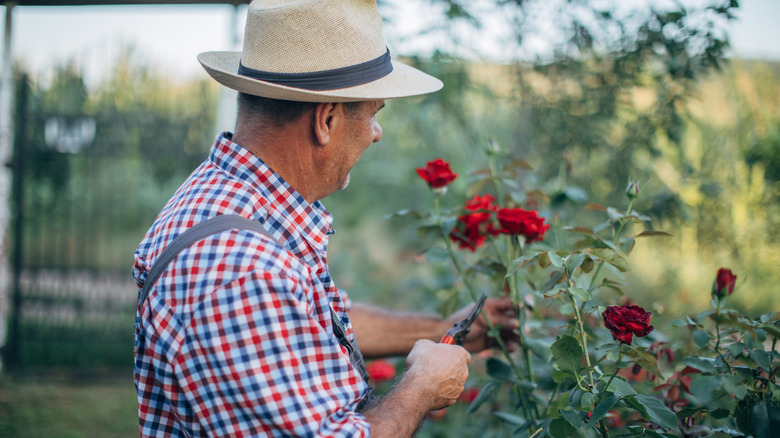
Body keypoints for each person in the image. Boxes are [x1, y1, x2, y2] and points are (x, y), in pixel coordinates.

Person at [133, 1, 518, 436]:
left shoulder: (232, 202)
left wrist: (441, 329)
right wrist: (423, 387)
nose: (377, 132)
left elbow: (307, 320)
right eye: (373, 113)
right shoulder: (242, 270)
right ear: (327, 119)